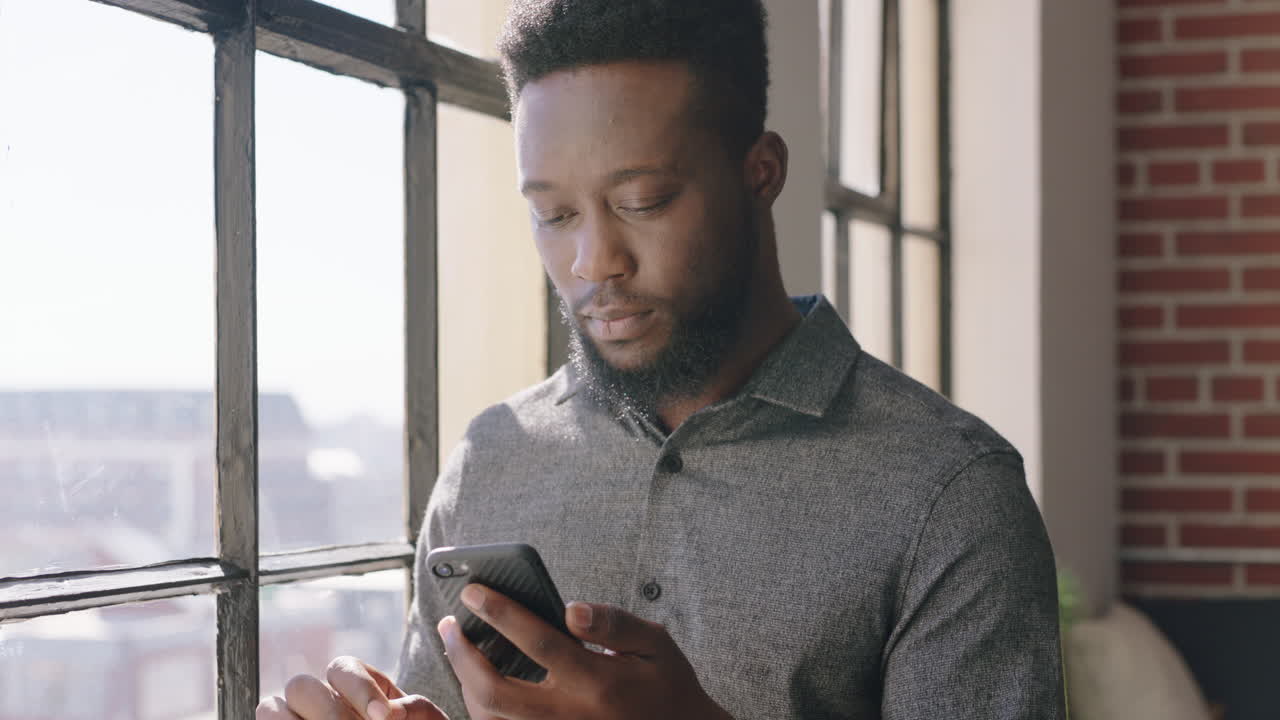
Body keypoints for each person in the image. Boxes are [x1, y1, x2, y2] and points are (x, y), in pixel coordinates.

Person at [257, 0, 1066, 718]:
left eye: (641, 202)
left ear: (761, 173)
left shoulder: (951, 497)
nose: (593, 261)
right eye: (555, 214)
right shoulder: (492, 460)